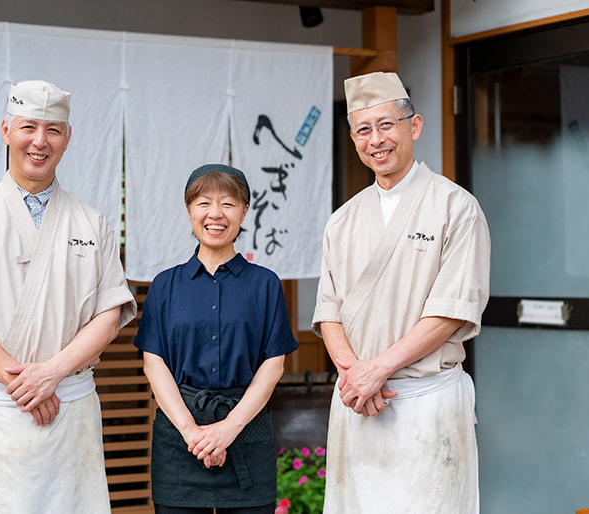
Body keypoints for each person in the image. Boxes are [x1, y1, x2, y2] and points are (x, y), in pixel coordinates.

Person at [0, 80, 137, 513]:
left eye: (53, 130)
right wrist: (22, 385)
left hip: (69, 410)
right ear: (6, 131)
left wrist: (52, 374)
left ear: (67, 138)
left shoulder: (92, 222)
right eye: (29, 127)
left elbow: (109, 313)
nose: (40, 142)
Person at [312, 71, 490, 514]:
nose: (377, 139)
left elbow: (450, 311)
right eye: (363, 130)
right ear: (354, 139)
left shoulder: (456, 207)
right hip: (358, 403)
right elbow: (329, 310)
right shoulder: (342, 219)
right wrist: (356, 375)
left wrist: (377, 371)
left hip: (425, 401)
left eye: (386, 124)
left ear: (415, 126)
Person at [134, 164, 298, 514]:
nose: (215, 213)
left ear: (244, 212)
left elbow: (274, 364)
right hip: (179, 438)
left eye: (228, 203)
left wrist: (228, 429)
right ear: (189, 211)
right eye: (204, 203)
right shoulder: (165, 285)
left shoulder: (265, 284)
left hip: (246, 431)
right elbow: (154, 363)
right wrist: (192, 432)